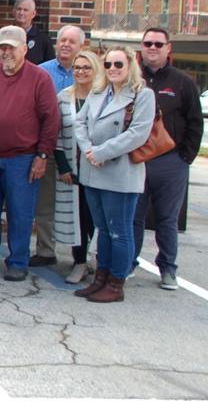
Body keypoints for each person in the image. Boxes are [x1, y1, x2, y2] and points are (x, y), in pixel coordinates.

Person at [0, 25, 58, 282]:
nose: (6, 52)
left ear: (24, 49)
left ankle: (18, 261)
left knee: (20, 212)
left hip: (23, 157)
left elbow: (51, 120)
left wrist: (42, 155)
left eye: (11, 48)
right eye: (2, 47)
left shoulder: (40, 78)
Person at [74, 47, 156, 303]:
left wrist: (102, 152)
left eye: (118, 64)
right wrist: (89, 150)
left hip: (120, 173)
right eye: (108, 64)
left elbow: (138, 134)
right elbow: (79, 122)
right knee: (102, 229)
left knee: (119, 230)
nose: (112, 69)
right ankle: (101, 278)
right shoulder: (98, 91)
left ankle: (116, 282)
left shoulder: (143, 95)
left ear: (130, 65)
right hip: (92, 170)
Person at [134, 27, 203, 291]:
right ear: (142, 47)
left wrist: (185, 157)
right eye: (148, 43)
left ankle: (168, 268)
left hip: (170, 162)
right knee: (133, 217)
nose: (152, 48)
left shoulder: (183, 82)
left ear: (168, 48)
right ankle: (128, 263)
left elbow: (195, 122)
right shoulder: (132, 78)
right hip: (136, 160)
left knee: (167, 219)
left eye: (158, 44)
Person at [33, 25, 86, 267]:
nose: (65, 44)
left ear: (81, 46)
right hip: (48, 147)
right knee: (45, 204)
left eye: (71, 41)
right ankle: (45, 251)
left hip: (79, 152)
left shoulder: (89, 74)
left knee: (81, 207)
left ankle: (81, 257)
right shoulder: (41, 72)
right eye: (62, 40)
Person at [54, 50, 102, 284]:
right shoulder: (64, 97)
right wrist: (63, 167)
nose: (81, 72)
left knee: (98, 218)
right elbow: (56, 134)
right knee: (79, 218)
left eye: (86, 67)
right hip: (73, 168)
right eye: (77, 67)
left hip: (100, 168)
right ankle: (80, 262)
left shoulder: (104, 97)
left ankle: (101, 263)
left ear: (96, 70)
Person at [10, 0, 55, 65]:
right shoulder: (5, 35)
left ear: (33, 14)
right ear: (13, 11)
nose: (21, 13)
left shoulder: (44, 40)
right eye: (19, 9)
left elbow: (50, 65)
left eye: (25, 10)